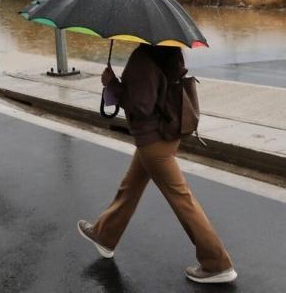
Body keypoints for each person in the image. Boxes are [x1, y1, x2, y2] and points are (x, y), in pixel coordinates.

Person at [77, 44, 237, 284]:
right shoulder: (169, 52)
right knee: (129, 188)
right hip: (164, 136)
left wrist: (112, 85)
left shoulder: (143, 57)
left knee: (183, 201)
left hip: (154, 143)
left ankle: (217, 263)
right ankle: (104, 235)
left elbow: (141, 106)